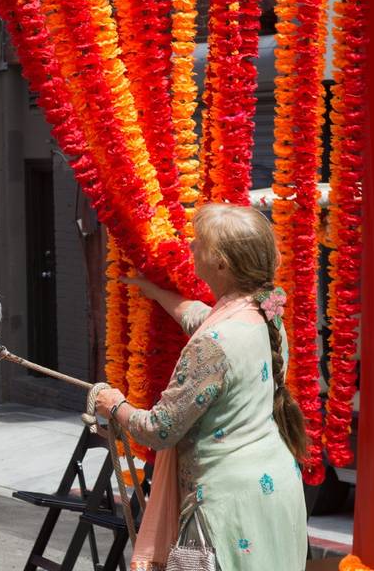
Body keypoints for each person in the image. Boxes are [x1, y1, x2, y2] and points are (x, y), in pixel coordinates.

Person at [95, 203, 309, 570]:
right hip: (277, 490)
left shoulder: (212, 344)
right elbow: (198, 315)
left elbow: (159, 429)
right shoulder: (267, 316)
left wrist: (112, 403)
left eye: (199, 243)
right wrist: (157, 292)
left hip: (225, 509)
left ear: (222, 263)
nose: (190, 247)